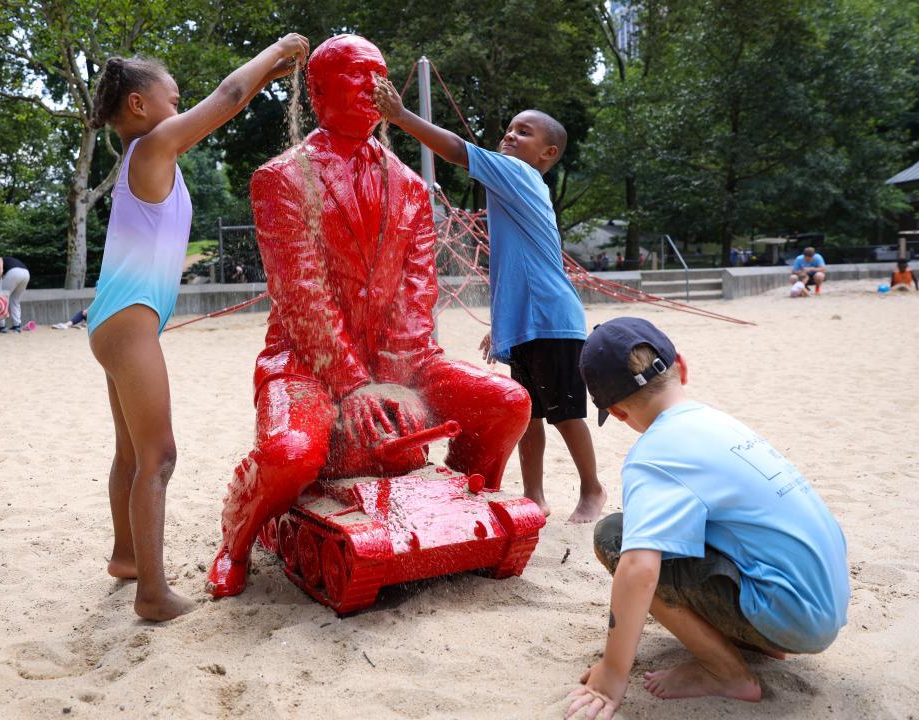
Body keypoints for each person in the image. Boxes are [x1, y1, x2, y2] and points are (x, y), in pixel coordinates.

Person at [205, 35, 533, 597]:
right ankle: (234, 544)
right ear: (318, 90)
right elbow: (301, 293)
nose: (372, 86)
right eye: (357, 74)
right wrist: (356, 384)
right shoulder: (281, 179)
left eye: (380, 75)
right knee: (289, 453)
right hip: (306, 363)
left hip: (404, 363)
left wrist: (395, 382)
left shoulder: (408, 185)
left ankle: (461, 491)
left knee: (507, 403)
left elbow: (417, 289)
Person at [86, 35, 310, 621]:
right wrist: (277, 51)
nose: (181, 104)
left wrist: (274, 70)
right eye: (173, 95)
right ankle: (153, 596)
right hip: (130, 320)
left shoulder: (151, 157)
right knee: (159, 457)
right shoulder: (154, 145)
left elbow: (228, 100)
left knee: (132, 454)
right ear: (139, 104)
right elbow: (231, 93)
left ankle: (127, 557)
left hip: (118, 319)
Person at [564, 317, 849, 720]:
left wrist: (612, 674)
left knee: (615, 534)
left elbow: (639, 569)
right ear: (681, 365)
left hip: (793, 615)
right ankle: (759, 642)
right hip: (824, 601)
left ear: (618, 412)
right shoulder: (717, 422)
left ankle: (726, 672)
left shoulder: (654, 454)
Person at [375, 73, 607, 523]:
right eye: (510, 127)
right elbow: (512, 269)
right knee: (527, 415)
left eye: (524, 132)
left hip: (552, 319)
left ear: (548, 154)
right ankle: (535, 495)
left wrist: (400, 117)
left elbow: (457, 150)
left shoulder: (519, 172)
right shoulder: (511, 185)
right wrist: (502, 327)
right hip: (526, 321)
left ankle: (592, 488)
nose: (510, 134)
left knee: (563, 412)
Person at [0, 256, 30, 333]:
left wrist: (0, 269)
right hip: (26, 273)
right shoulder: (7, 265)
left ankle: (1, 326)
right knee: (15, 300)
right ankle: (17, 325)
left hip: (14, 273)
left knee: (1, 299)